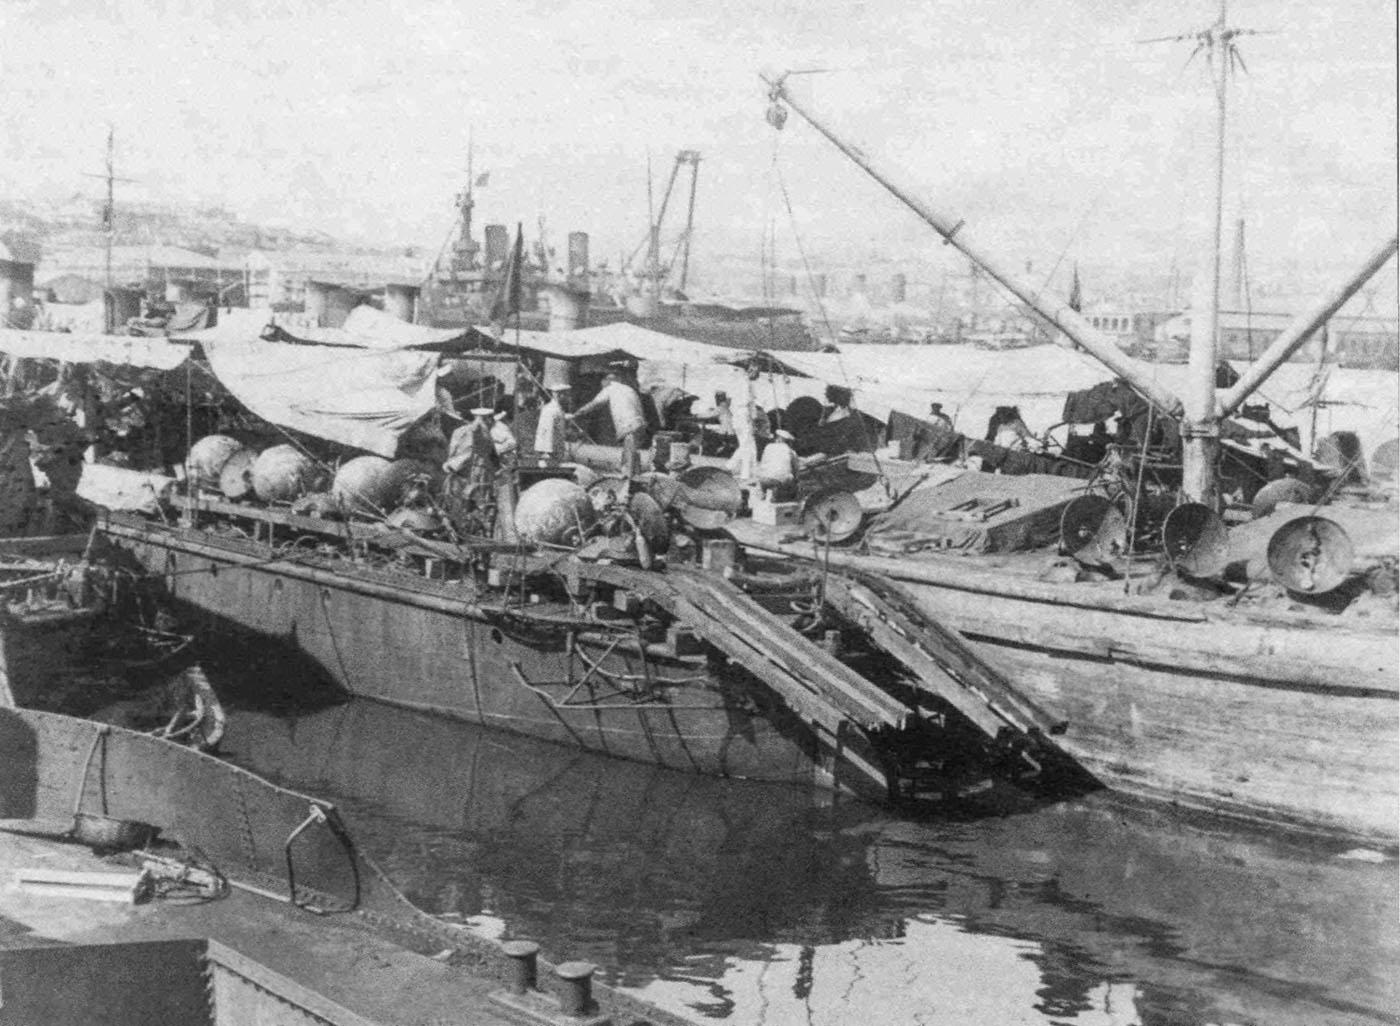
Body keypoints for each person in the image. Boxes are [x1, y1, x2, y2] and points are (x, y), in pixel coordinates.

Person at [569, 369, 646, 476]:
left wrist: (575, 414)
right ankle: (635, 476)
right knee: (633, 453)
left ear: (606, 381)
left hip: (628, 426)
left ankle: (629, 478)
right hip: (640, 424)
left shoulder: (610, 389)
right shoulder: (628, 389)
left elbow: (594, 404)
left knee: (629, 457)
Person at [442, 406, 499, 515]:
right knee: (477, 501)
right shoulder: (480, 432)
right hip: (475, 472)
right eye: (489, 419)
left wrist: (451, 464)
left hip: (460, 471)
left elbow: (453, 452)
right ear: (484, 418)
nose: (491, 422)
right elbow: (473, 452)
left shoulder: (460, 431)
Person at [757, 428, 801, 502]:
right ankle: (788, 499)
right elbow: (796, 469)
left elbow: (763, 462)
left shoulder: (768, 447)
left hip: (763, 479)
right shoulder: (791, 451)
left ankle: (763, 494)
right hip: (778, 480)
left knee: (767, 476)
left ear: (777, 439)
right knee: (791, 478)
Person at [534, 384, 571, 459]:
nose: (568, 397)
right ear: (558, 395)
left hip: (555, 450)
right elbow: (549, 431)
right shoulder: (551, 410)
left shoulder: (556, 408)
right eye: (566, 395)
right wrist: (549, 452)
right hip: (550, 453)